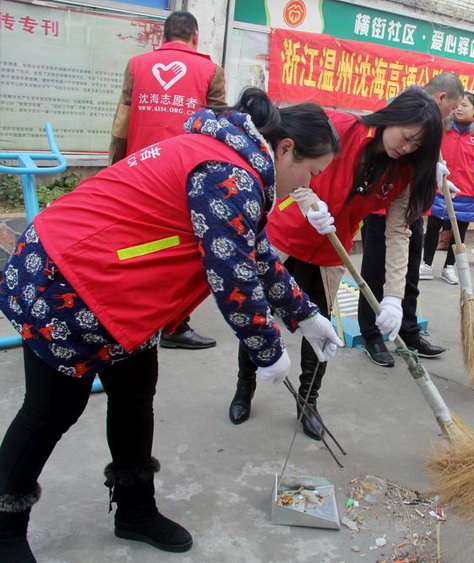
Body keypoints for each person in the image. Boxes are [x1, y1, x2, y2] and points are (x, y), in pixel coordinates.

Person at [0, 88, 342, 559]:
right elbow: (232, 274)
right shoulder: (229, 172)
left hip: (120, 289)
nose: (310, 183)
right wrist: (267, 349)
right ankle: (4, 529)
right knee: (52, 410)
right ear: (285, 149)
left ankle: (135, 509)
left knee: (135, 397)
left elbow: (252, 250)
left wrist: (304, 314)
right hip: (67, 281)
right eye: (312, 172)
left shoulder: (236, 164)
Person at [228, 89, 443, 439]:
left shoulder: (404, 172)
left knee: (320, 332)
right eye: (406, 138)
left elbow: (398, 233)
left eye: (416, 146)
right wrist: (310, 202)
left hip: (330, 255)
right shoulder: (341, 128)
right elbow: (291, 164)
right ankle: (244, 386)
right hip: (284, 242)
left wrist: (393, 297)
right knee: (260, 317)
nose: (406, 149)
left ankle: (308, 401)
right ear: (393, 115)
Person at [110, 10, 226, 350]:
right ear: (195, 36)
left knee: (133, 241)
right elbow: (218, 129)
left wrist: (115, 168)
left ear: (162, 37)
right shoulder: (211, 71)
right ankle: (174, 326)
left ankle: (125, 316)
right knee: (177, 249)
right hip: (185, 175)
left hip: (138, 171)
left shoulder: (136, 65)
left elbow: (122, 122)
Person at [360, 74, 464, 368]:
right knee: (375, 274)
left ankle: (409, 331)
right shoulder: (404, 106)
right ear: (442, 98)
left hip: (412, 208)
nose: (451, 115)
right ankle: (372, 336)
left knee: (409, 274)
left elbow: (422, 159)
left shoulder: (431, 126)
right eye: (453, 108)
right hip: (382, 208)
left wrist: (436, 170)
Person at [421, 89, 474, 286]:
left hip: (466, 190)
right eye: (458, 105)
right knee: (434, 226)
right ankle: (426, 264)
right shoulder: (444, 126)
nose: (459, 109)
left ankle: (449, 267)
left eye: (465, 106)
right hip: (441, 186)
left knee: (458, 231)